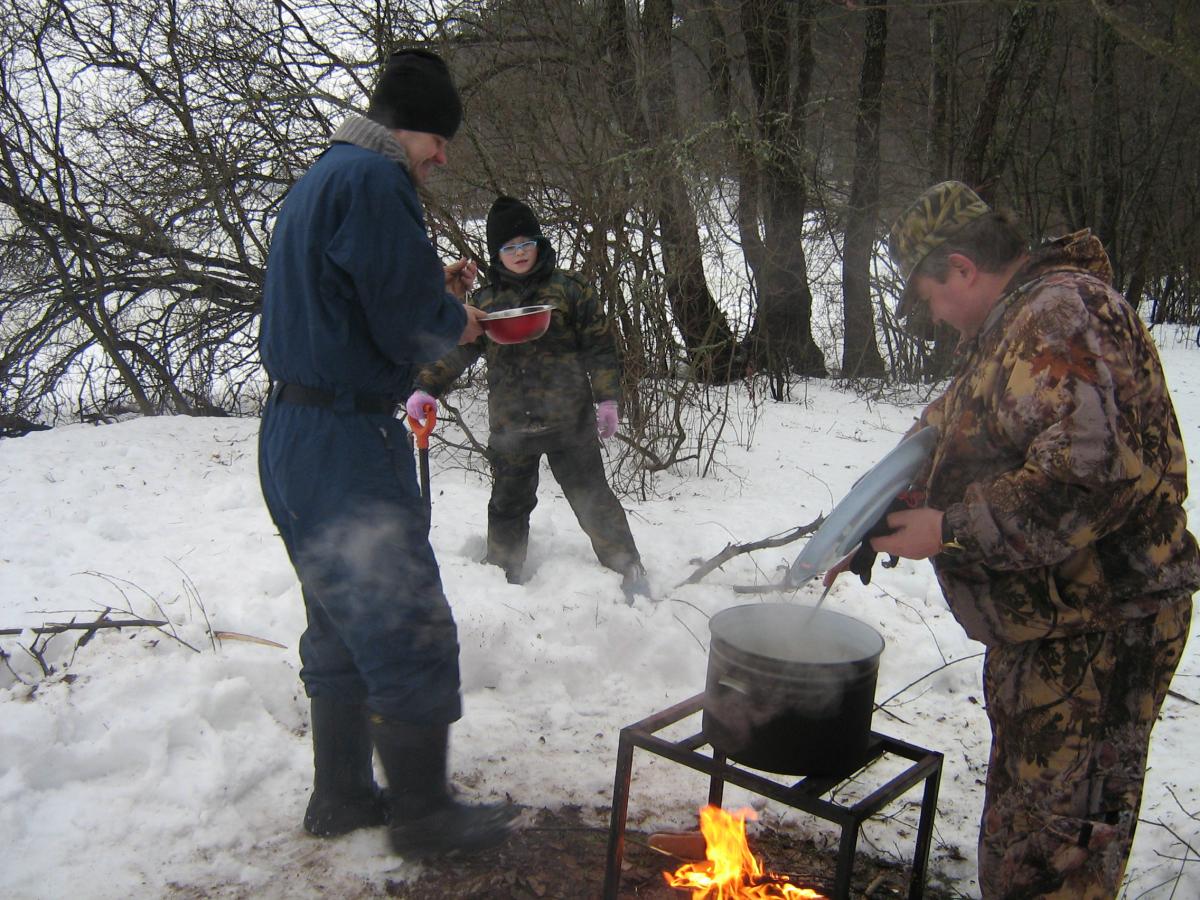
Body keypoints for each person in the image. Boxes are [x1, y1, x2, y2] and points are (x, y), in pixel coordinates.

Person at [829, 181, 1200, 898]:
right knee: (1026, 837)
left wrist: (949, 529)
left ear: (962, 268)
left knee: (1058, 857)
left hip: (1100, 631)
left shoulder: (1059, 319)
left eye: (930, 298)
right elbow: (960, 432)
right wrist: (875, 517)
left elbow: (1087, 479)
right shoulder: (1016, 323)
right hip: (1056, 626)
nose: (935, 318)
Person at [257, 48, 516, 857]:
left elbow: (354, 296)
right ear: (411, 128)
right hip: (344, 441)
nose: (443, 158)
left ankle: (340, 795)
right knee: (407, 619)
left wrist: (432, 290)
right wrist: (458, 320)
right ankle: (426, 817)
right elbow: (402, 321)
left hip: (294, 435)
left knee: (341, 617)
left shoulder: (324, 178)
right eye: (440, 141)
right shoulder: (376, 180)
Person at [405, 195, 649, 600]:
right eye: (508, 247)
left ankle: (629, 570)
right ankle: (503, 580)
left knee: (594, 500)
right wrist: (424, 387)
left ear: (539, 243)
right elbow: (457, 351)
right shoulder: (484, 302)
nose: (519, 253)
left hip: (569, 421)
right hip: (512, 426)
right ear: (496, 253)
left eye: (525, 243)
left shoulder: (570, 290)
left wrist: (608, 400)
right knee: (508, 505)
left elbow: (600, 348)